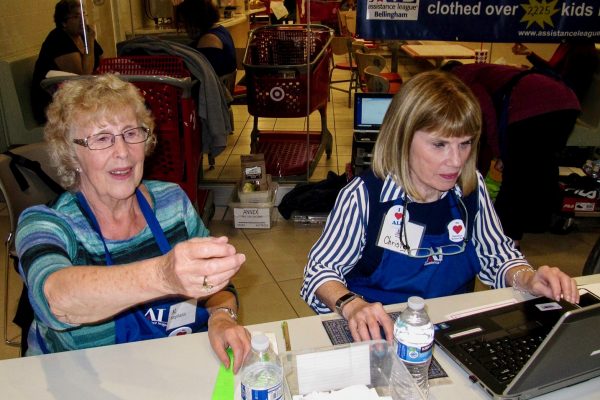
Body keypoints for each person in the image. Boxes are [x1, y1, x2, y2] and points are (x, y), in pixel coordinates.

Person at [300, 70, 579, 343]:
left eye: (465, 144)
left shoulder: (470, 188)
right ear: (403, 138)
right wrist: (352, 305)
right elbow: (319, 271)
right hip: (380, 331)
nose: (456, 161)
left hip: (453, 329)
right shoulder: (365, 196)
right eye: (439, 144)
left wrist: (527, 278)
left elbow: (497, 256)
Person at [16, 74, 250, 373]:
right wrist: (163, 275)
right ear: (71, 153)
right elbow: (56, 301)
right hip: (79, 381)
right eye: (102, 139)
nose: (123, 152)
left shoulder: (172, 203)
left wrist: (221, 317)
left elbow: (216, 285)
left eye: (131, 133)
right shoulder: (47, 223)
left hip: (164, 370)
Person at [448, 63, 580, 245]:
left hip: (534, 111)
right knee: (542, 166)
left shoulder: (463, 80)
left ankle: (507, 239)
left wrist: (499, 152)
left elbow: (486, 115)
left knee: (516, 178)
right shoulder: (486, 71)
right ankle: (545, 220)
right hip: (569, 104)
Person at [31, 0, 104, 124]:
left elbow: (101, 61)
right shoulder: (58, 39)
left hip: (77, 96)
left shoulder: (82, 35)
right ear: (63, 22)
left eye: (84, 15)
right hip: (54, 104)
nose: (83, 20)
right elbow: (83, 75)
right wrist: (90, 42)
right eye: (76, 16)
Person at [512, 41, 598, 102]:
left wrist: (532, 73)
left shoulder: (583, 48)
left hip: (564, 100)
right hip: (558, 91)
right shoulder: (568, 42)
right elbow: (553, 69)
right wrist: (529, 54)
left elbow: (563, 80)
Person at [175, 0, 237, 77]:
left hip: (214, 88)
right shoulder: (220, 30)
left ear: (195, 20)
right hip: (223, 86)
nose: (184, 28)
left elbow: (204, 77)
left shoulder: (209, 40)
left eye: (184, 22)